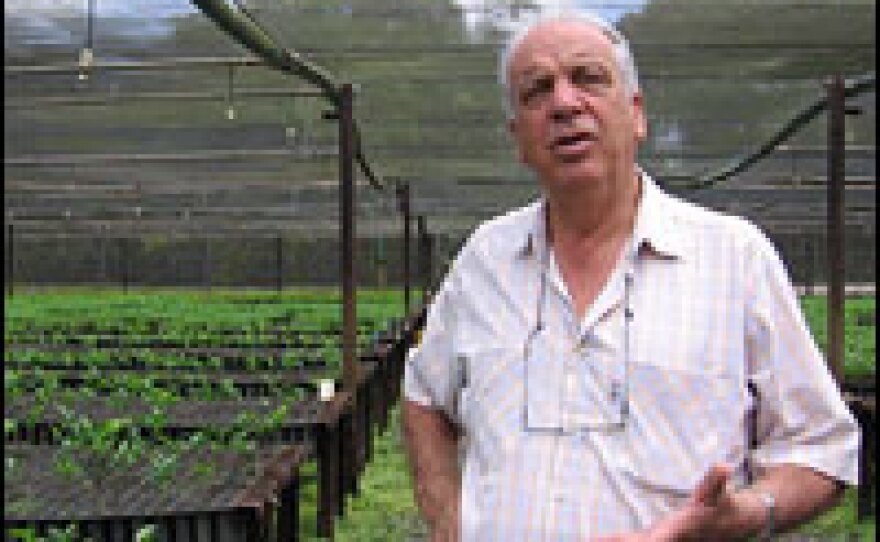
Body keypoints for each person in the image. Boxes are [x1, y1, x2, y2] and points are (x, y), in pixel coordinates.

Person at [401, 9, 860, 541]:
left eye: (589, 78)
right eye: (537, 91)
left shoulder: (734, 258)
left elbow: (823, 449)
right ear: (519, 141)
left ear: (637, 115)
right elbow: (424, 395)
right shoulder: (486, 258)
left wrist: (744, 515)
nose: (565, 104)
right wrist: (448, 521)